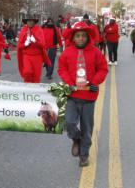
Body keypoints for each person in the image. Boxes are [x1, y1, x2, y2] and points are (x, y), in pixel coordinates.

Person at [57, 21, 108, 167]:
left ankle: (84, 155)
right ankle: (76, 139)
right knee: (69, 122)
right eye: (78, 36)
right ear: (73, 38)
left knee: (87, 127)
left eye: (83, 36)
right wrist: (69, 83)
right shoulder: (67, 52)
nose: (80, 38)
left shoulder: (95, 52)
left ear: (87, 37)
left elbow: (103, 69)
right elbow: (62, 69)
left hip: (88, 97)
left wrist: (95, 82)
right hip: (72, 95)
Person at [17, 17, 51, 83]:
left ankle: (35, 92)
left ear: (34, 22)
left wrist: (35, 41)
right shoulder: (23, 30)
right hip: (27, 55)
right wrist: (25, 44)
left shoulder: (39, 30)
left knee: (36, 76)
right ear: (26, 22)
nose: (30, 22)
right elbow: (19, 46)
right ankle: (27, 89)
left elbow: (43, 44)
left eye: (31, 21)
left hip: (37, 56)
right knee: (27, 72)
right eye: (28, 21)